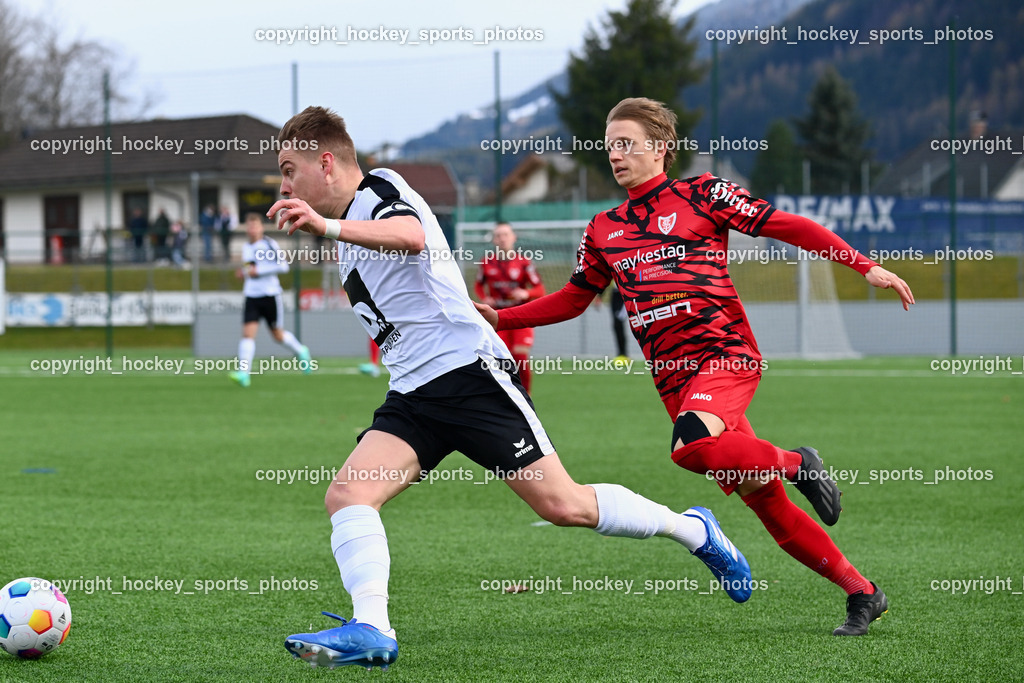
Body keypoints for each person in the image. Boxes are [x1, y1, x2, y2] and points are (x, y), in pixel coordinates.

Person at [266, 106, 752, 671]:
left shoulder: (380, 190)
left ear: (326, 163)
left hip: (469, 376)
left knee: (565, 505)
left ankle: (693, 529)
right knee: (348, 495)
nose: (283, 185)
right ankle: (373, 627)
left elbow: (411, 235)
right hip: (414, 394)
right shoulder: (349, 227)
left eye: (288, 169)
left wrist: (325, 226)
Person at [477, 97, 916, 637]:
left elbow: (789, 226)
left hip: (724, 354)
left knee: (691, 448)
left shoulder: (701, 193)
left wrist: (863, 264)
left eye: (627, 144)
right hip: (673, 379)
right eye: (610, 145)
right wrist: (500, 317)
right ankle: (863, 593)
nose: (616, 154)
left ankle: (799, 461)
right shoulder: (604, 228)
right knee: (765, 501)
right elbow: (573, 298)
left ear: (660, 149)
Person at [228, 213, 312, 387]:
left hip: (270, 295)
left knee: (277, 335)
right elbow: (249, 267)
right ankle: (244, 374)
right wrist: (243, 272)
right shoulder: (246, 247)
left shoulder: (269, 244)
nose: (252, 230)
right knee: (247, 334)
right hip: (251, 295)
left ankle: (301, 351)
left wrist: (258, 271)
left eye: (255, 226)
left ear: (261, 228)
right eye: (249, 226)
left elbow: (283, 267)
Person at [474, 222, 545, 392]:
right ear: (494, 240)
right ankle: (507, 394)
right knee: (501, 359)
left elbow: (540, 289)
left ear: (514, 237)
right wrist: (485, 298)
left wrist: (526, 294)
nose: (502, 238)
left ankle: (526, 395)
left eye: (506, 234)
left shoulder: (524, 262)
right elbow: (478, 286)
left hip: (520, 316)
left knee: (520, 356)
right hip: (497, 317)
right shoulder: (486, 263)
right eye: (498, 235)